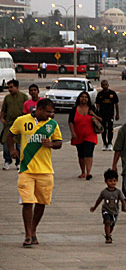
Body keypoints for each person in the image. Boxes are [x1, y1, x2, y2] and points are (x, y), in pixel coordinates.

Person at [7, 99, 62, 247]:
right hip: (26, 170)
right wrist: (12, 150)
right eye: (48, 112)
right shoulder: (22, 120)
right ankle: (27, 235)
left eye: (52, 112)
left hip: (45, 170)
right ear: (39, 109)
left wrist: (50, 144)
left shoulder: (52, 125)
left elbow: (59, 143)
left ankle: (33, 230)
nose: (51, 115)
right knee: (27, 202)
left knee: (41, 202)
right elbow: (10, 134)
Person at [69, 91, 102, 180]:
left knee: (89, 153)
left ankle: (88, 172)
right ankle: (83, 172)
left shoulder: (92, 109)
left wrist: (93, 114)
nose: (84, 98)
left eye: (86, 97)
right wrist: (73, 133)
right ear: (79, 98)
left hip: (90, 135)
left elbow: (101, 119)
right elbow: (71, 122)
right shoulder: (74, 109)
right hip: (78, 135)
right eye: (82, 97)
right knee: (81, 154)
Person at [90, 168, 126, 243]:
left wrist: (125, 207)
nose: (112, 183)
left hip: (114, 211)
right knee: (107, 221)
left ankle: (108, 234)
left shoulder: (118, 192)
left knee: (112, 224)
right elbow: (99, 200)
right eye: (110, 181)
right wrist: (94, 207)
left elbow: (123, 200)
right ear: (106, 182)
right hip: (106, 210)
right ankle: (108, 237)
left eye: (114, 181)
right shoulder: (104, 192)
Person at [2, 79, 29, 170]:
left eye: (11, 87)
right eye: (8, 87)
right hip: (8, 124)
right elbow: (3, 110)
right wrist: (2, 118)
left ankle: (18, 162)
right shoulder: (7, 98)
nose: (9, 89)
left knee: (19, 144)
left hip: (20, 124)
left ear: (17, 87)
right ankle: (7, 161)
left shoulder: (24, 97)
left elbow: (28, 110)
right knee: (6, 143)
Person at [96, 80, 120, 151]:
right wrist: (97, 115)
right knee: (102, 129)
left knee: (110, 129)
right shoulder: (100, 94)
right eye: (103, 85)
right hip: (102, 115)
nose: (105, 86)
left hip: (110, 114)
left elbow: (116, 104)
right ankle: (104, 143)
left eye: (106, 84)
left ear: (108, 85)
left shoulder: (112, 93)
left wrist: (117, 114)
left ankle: (110, 143)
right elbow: (97, 105)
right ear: (101, 86)